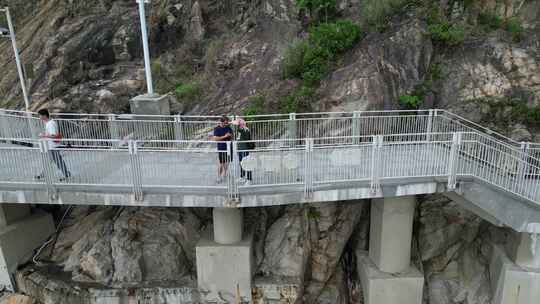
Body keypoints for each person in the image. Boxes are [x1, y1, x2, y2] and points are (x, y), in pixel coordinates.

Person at [35, 109, 71, 181]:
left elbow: (53, 135)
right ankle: (42, 174)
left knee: (58, 161)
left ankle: (67, 175)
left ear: (44, 116)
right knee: (50, 161)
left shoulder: (50, 124)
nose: (39, 118)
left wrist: (43, 135)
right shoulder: (49, 123)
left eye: (40, 116)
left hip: (53, 146)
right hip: (52, 146)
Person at [212, 116, 233, 183]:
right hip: (221, 148)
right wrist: (225, 136)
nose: (226, 124)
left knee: (227, 162)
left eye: (227, 123)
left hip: (229, 147)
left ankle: (225, 174)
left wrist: (230, 135)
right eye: (225, 123)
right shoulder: (217, 129)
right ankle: (219, 176)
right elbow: (215, 139)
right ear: (221, 122)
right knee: (221, 163)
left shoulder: (228, 127)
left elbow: (232, 136)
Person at [233, 118, 254, 185]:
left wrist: (239, 124)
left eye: (240, 122)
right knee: (241, 163)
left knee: (247, 163)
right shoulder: (239, 130)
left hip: (245, 149)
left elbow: (246, 137)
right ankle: (242, 176)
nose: (238, 123)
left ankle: (249, 179)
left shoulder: (245, 130)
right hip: (240, 149)